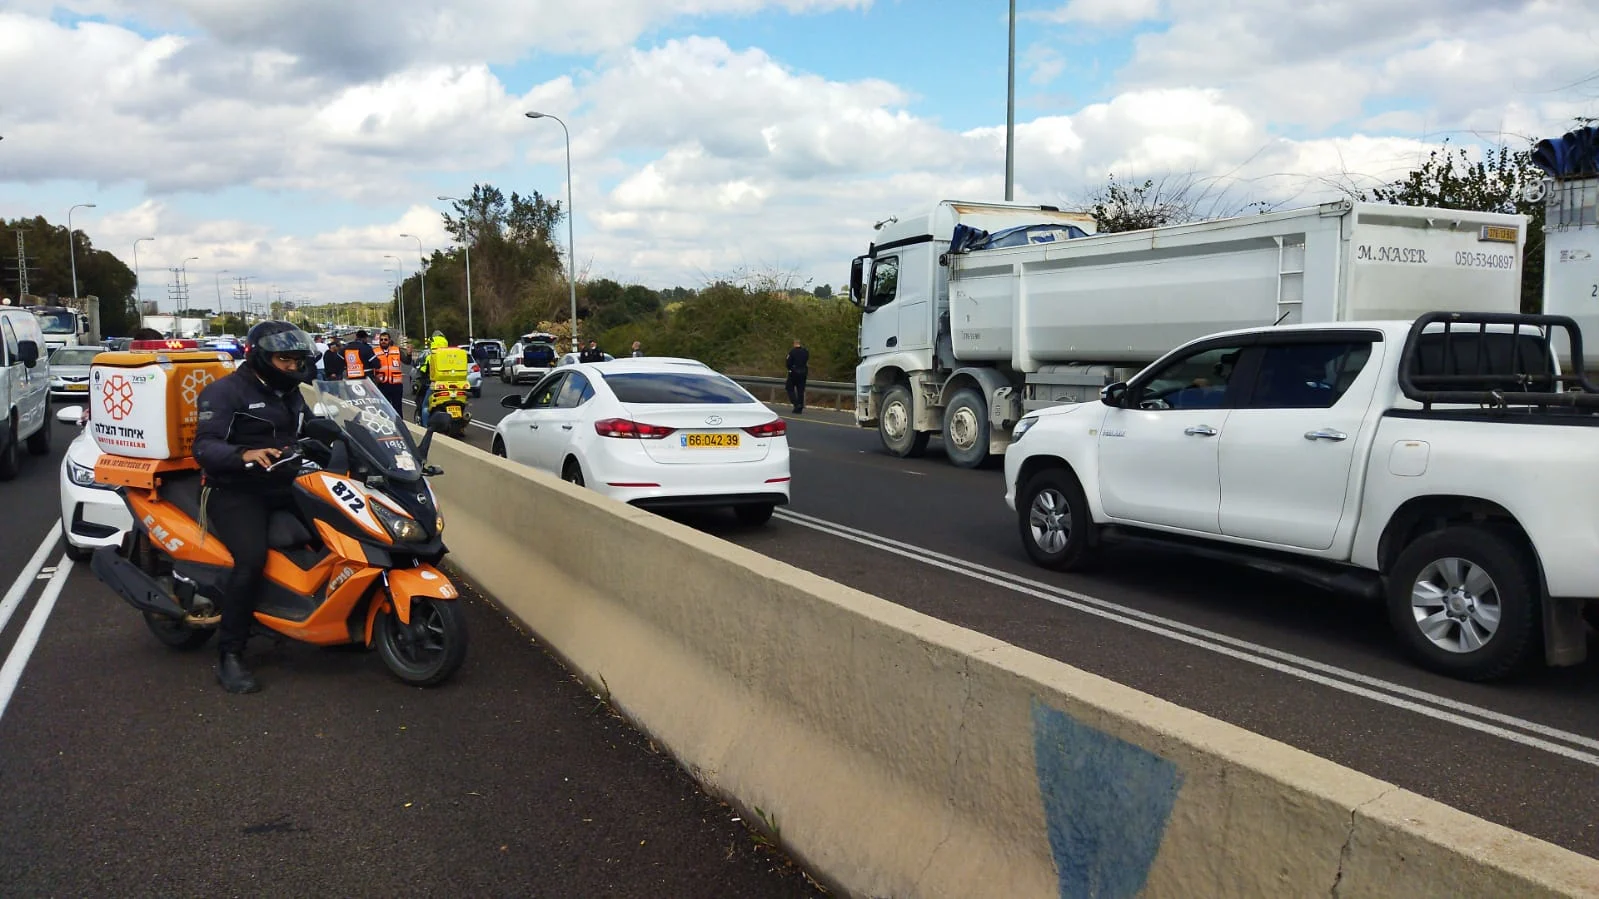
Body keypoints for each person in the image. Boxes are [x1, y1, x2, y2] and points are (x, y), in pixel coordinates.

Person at [192, 321, 315, 694]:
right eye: (285, 360)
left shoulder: (291, 392)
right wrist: (243, 453)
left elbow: (313, 428)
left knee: (336, 533)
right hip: (236, 489)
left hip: (286, 483)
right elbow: (204, 447)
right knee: (251, 559)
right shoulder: (224, 392)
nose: (293, 367)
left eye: (297, 360)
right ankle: (230, 654)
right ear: (260, 356)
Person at [416, 334, 470, 423]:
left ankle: (425, 428)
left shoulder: (431, 357)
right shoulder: (452, 356)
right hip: (456, 386)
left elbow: (423, 371)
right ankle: (460, 427)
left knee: (425, 407)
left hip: (437, 386)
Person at [372, 330, 405, 412]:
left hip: (396, 385)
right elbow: (369, 367)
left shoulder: (397, 350)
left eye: (385, 339)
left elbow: (407, 361)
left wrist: (409, 354)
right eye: (381, 339)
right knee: (385, 409)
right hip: (382, 384)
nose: (383, 341)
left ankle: (398, 424)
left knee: (397, 409)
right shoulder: (374, 352)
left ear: (389, 340)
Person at [785, 338, 809, 414]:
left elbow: (788, 363)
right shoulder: (805, 351)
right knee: (800, 391)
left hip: (794, 373)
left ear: (794, 344)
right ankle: (800, 407)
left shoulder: (792, 352)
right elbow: (806, 360)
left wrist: (789, 369)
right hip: (803, 373)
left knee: (789, 388)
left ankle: (796, 404)